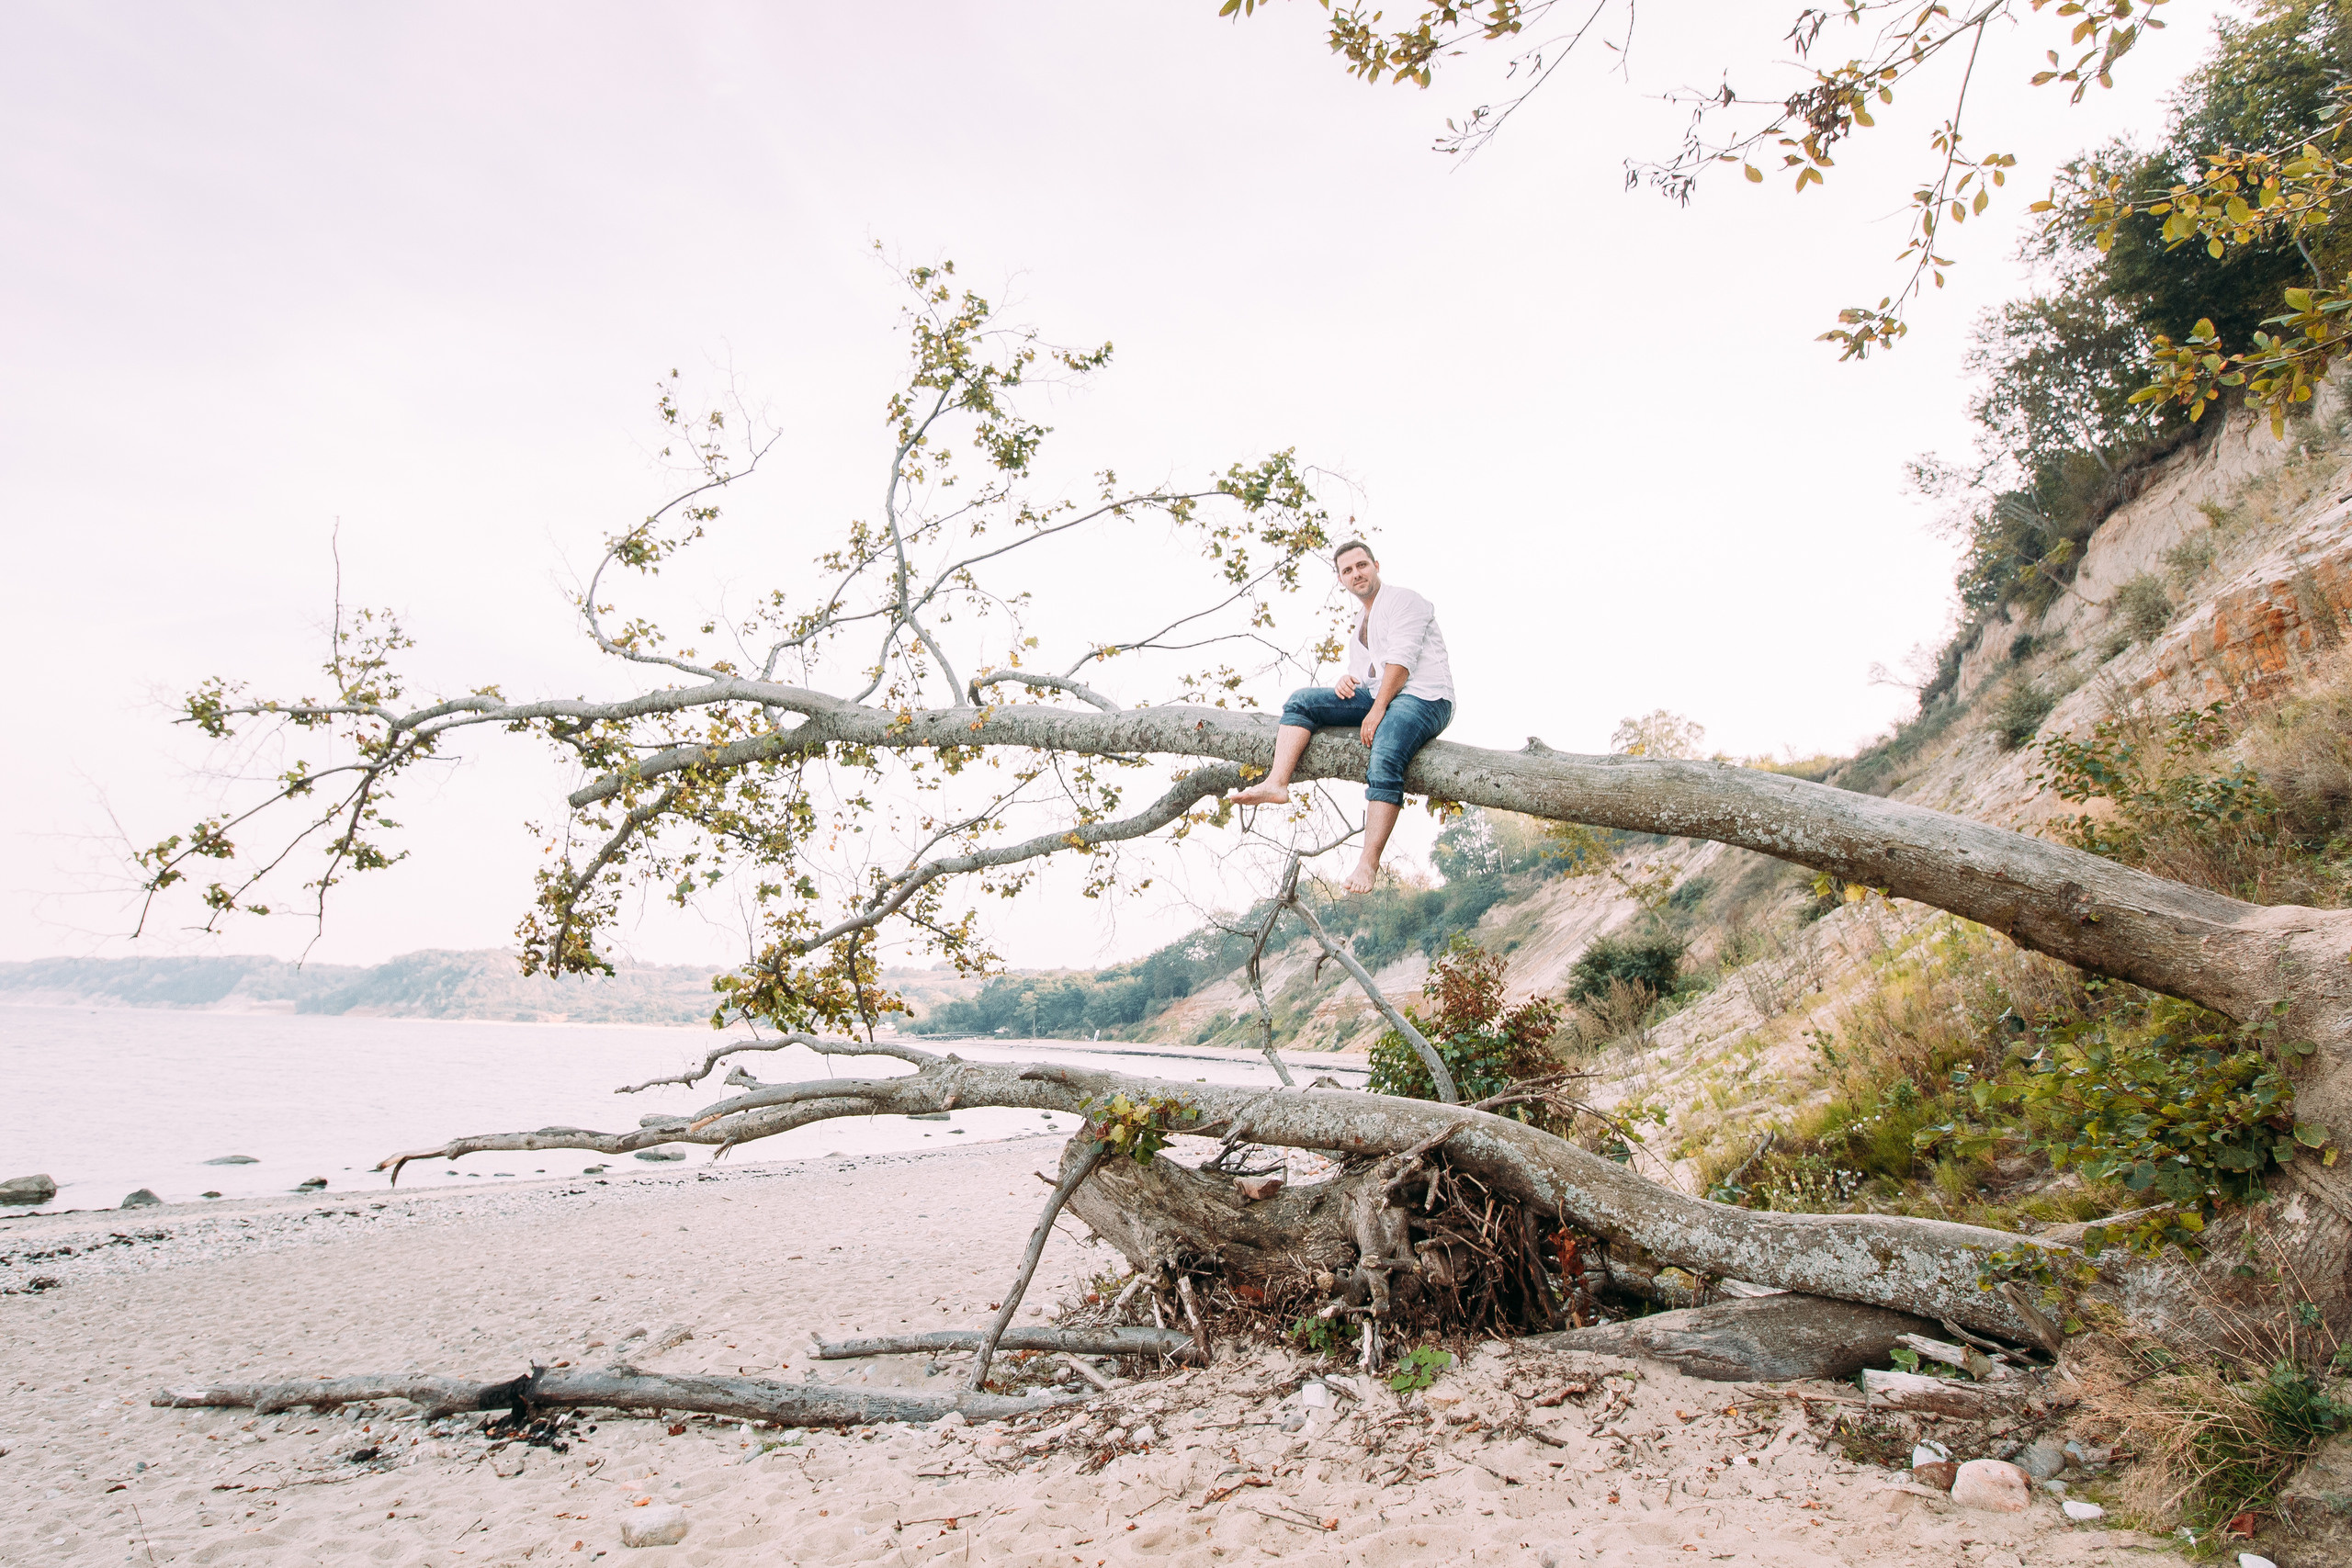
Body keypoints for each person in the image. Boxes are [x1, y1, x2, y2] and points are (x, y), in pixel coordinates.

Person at [1230, 539, 1454, 892]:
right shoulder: (1359, 622)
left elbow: (1402, 663)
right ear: (1340, 579)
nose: (1356, 574)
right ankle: (1276, 783)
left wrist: (1377, 709)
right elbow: (1368, 674)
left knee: (1385, 750)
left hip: (1425, 697)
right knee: (1302, 701)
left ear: (1376, 565)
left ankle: (1368, 864)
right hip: (1382, 693)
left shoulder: (1405, 601)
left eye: (1361, 565)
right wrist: (1346, 680)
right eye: (1347, 570)